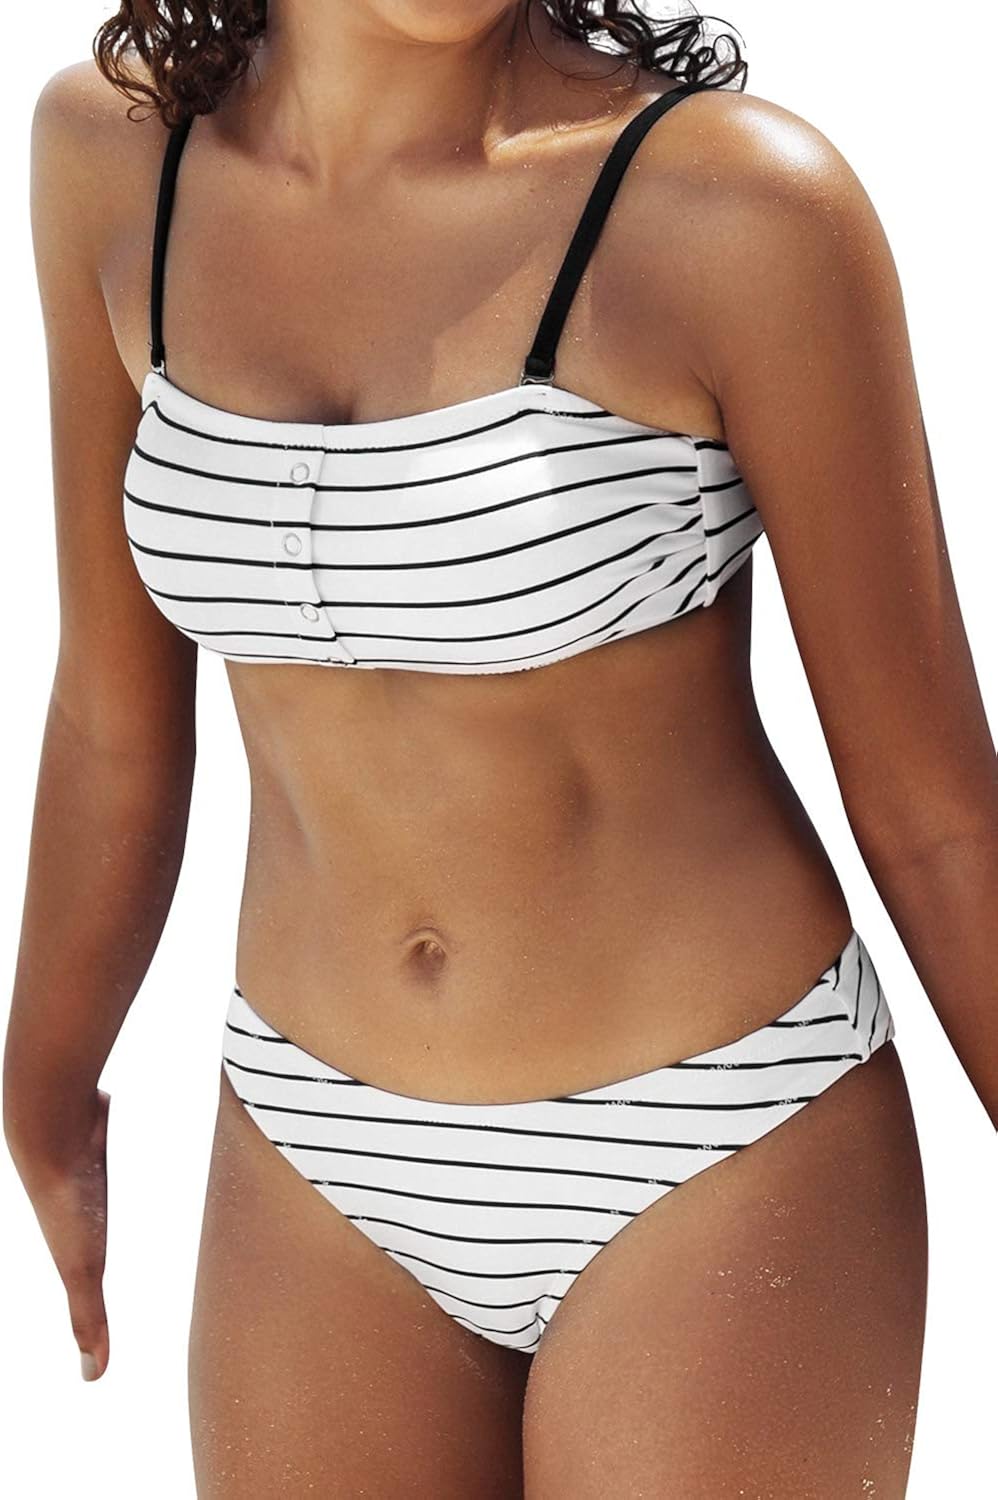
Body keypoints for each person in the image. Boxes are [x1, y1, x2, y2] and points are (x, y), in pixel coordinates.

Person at [4, 1, 995, 1495]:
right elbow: (109, 712)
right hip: (309, 1142)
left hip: (716, 1147)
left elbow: (934, 809)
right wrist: (46, 1074)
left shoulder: (732, 205)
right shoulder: (112, 153)